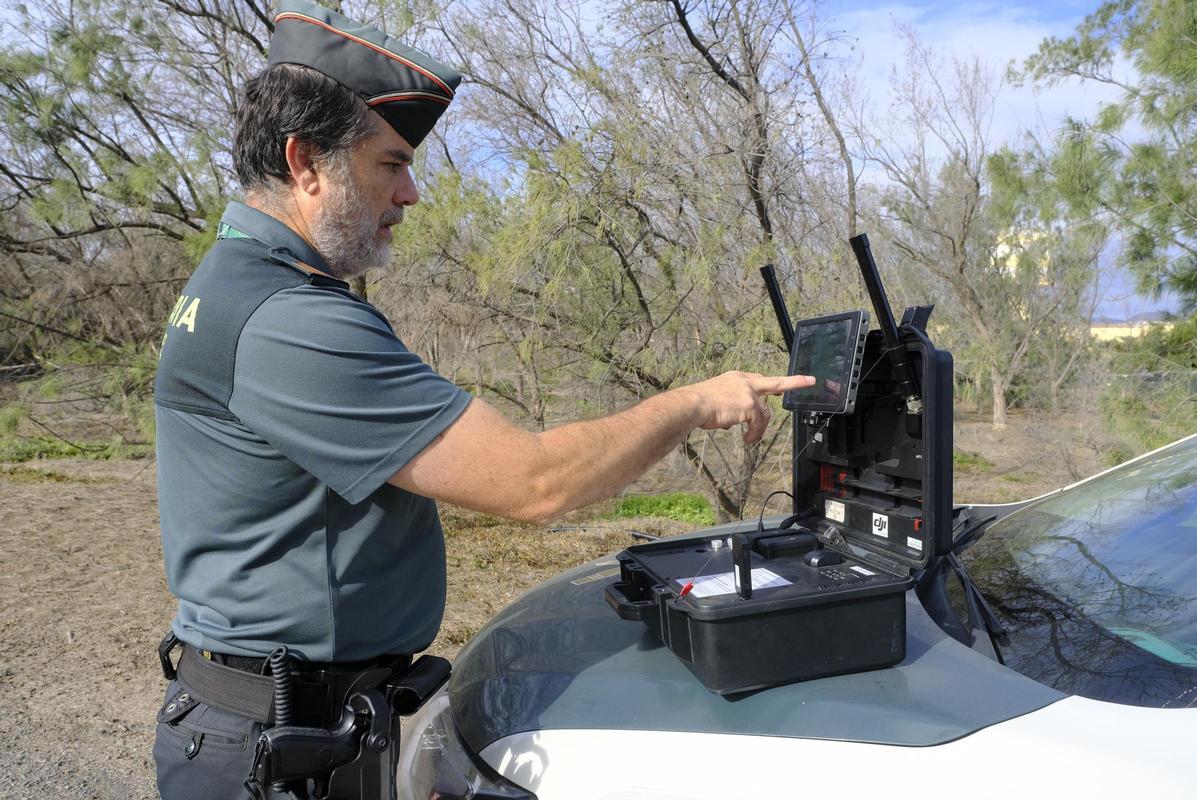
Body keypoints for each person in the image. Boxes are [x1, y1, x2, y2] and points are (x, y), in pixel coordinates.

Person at [151, 1, 814, 797]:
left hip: (290, 719)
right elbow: (535, 482)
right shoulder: (287, 322)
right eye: (389, 165)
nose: (411, 194)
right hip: (276, 745)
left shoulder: (244, 283)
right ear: (306, 164)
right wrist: (696, 402)